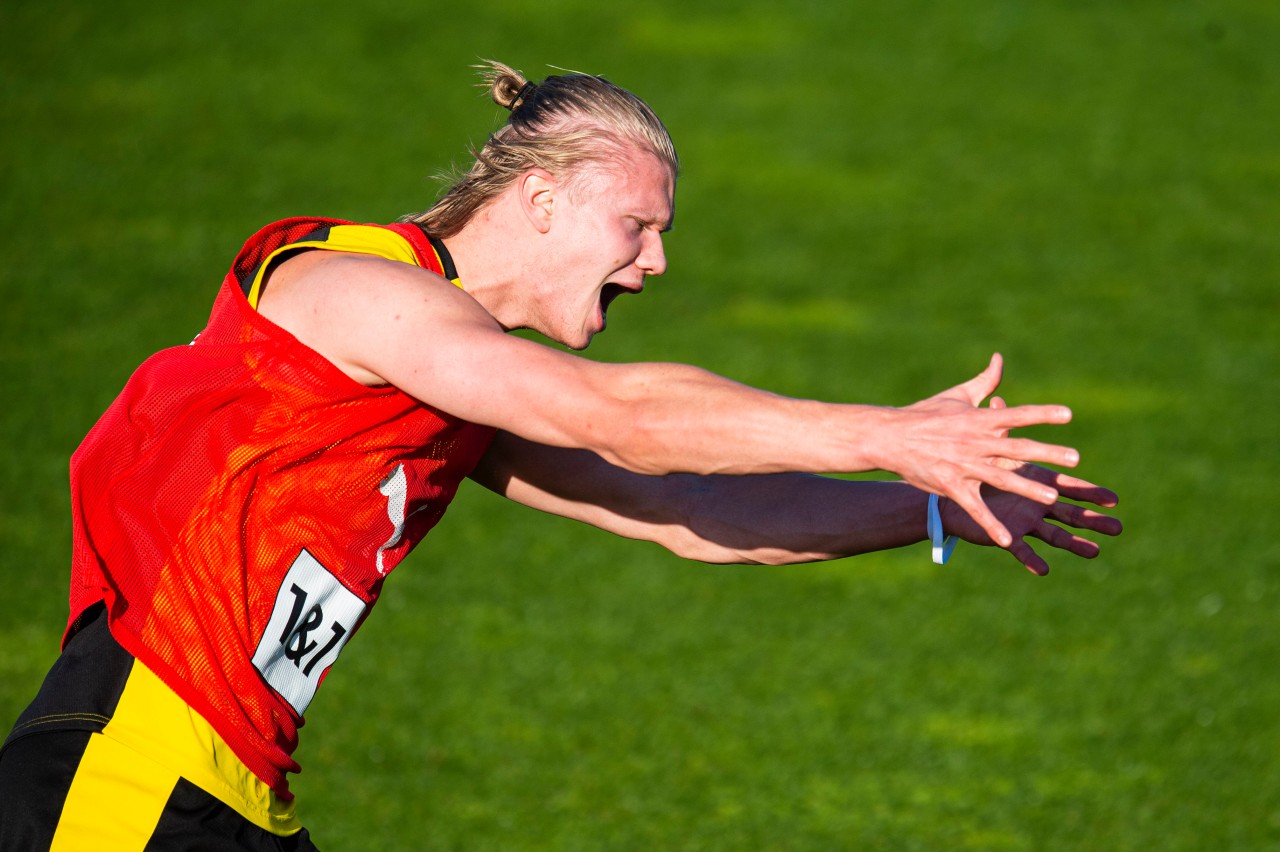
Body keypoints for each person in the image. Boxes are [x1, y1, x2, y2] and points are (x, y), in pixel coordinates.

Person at [0, 60, 1121, 849]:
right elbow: (613, 415)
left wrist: (929, 507)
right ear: (538, 199)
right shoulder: (354, 291)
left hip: (236, 792)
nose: (656, 262)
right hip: (128, 765)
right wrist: (889, 435)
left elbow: (682, 508)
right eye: (637, 226)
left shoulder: (450, 384)